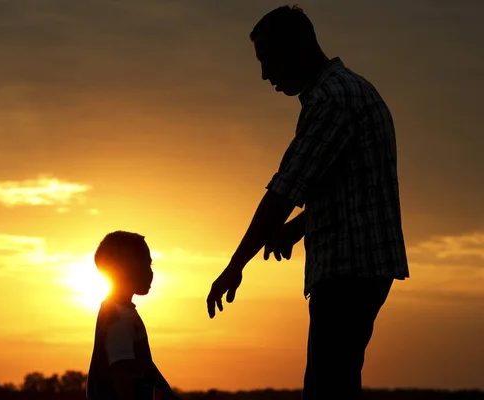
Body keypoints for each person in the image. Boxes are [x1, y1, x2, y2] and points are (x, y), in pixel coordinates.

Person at [206, 5, 410, 400]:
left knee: (326, 387)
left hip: (349, 268)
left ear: (296, 48)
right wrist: (299, 228)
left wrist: (235, 266)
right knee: (333, 381)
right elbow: (352, 186)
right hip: (360, 266)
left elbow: (285, 190)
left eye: (267, 59)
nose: (265, 75)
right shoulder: (352, 90)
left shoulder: (331, 100)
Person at [87, 231, 179, 400]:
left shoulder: (117, 312)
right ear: (126, 270)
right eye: (146, 265)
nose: (151, 273)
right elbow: (120, 372)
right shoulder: (119, 318)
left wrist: (169, 394)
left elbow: (146, 365)